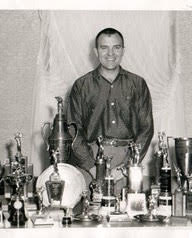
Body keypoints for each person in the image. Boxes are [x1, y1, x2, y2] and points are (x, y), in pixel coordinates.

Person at [66, 27, 154, 192]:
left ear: (123, 50)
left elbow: (146, 129)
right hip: (90, 161)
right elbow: (73, 131)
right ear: (95, 51)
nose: (110, 53)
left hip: (127, 163)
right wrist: (93, 168)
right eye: (104, 47)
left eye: (116, 47)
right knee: (83, 209)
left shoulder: (138, 84)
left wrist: (125, 168)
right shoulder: (81, 85)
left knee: (130, 211)